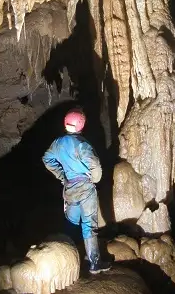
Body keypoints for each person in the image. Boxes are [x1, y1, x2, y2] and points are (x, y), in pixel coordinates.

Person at [42, 108, 111, 274]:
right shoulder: (82, 145)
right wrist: (94, 179)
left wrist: (62, 176)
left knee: (71, 223)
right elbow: (95, 165)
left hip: (70, 189)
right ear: (81, 125)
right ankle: (94, 263)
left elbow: (47, 159)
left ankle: (68, 258)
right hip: (86, 189)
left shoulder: (58, 143)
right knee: (89, 225)